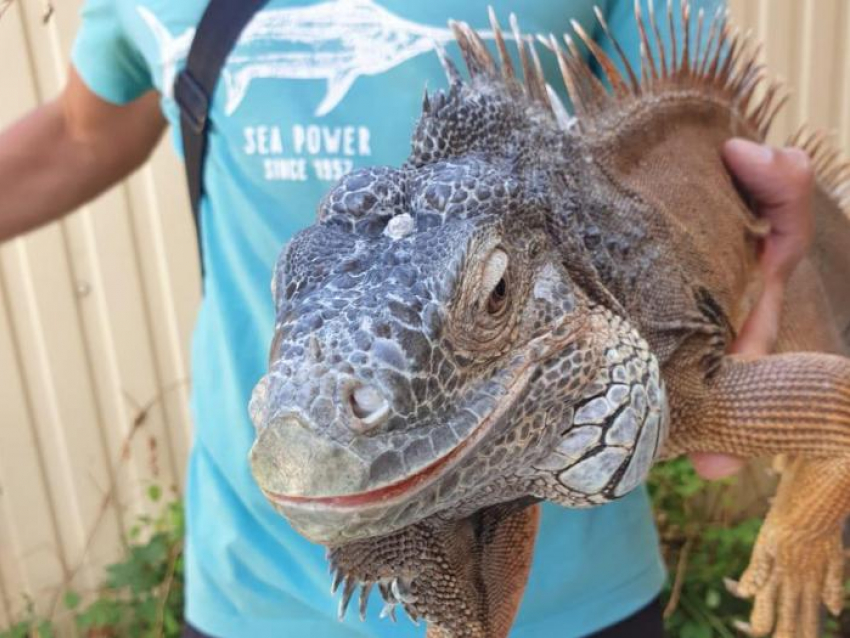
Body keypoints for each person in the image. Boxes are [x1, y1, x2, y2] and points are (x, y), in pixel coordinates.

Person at [0, 1, 814, 636]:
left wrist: (758, 259)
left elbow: (669, 143)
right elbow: (79, 135)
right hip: (248, 580)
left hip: (583, 597)